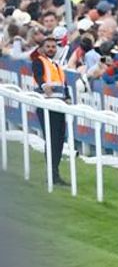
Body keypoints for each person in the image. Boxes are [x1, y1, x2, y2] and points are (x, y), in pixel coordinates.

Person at [30, 34, 69, 185]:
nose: (51, 49)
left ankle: (55, 174)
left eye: (53, 47)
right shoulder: (39, 61)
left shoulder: (58, 65)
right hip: (46, 104)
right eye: (48, 47)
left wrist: (68, 97)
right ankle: (52, 174)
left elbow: (63, 84)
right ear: (43, 49)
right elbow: (38, 76)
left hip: (60, 105)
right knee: (52, 139)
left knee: (59, 140)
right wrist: (43, 86)